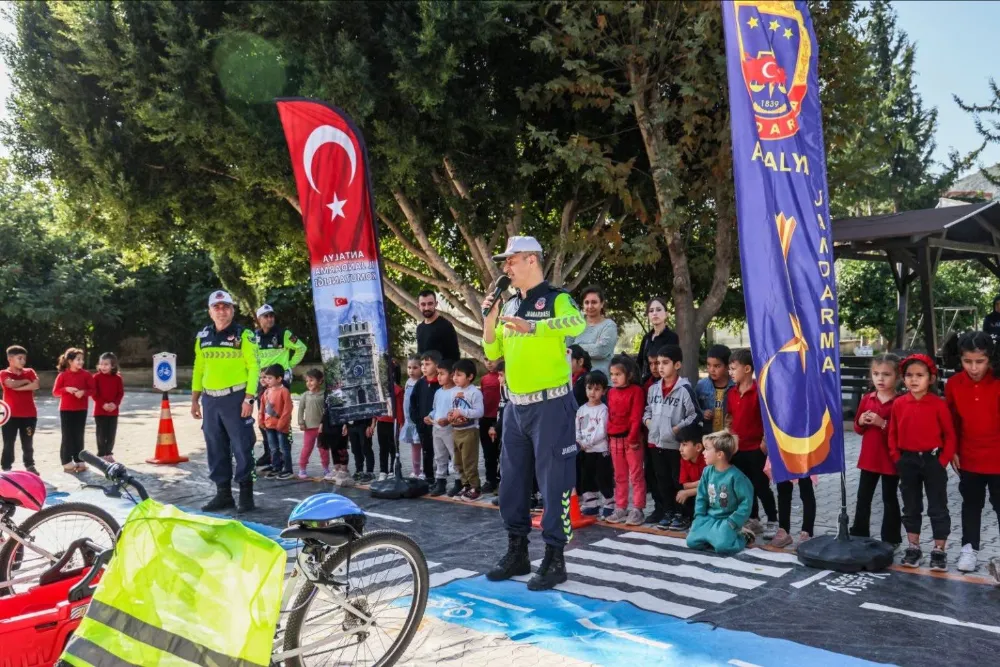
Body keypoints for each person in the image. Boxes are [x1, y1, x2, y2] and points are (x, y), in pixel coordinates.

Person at [481, 235, 586, 591]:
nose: (505, 267)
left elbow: (577, 324)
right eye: (505, 261)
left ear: (531, 260)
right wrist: (490, 318)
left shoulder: (557, 299)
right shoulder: (509, 304)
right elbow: (491, 352)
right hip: (516, 406)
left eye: (511, 260)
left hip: (551, 405)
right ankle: (517, 552)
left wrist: (536, 327)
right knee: (511, 482)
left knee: (555, 482)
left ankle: (555, 558)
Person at [191, 290, 260, 513]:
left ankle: (246, 495)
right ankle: (224, 495)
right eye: (217, 307)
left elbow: (254, 367)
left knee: (242, 446)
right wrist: (195, 399)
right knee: (215, 447)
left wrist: (249, 398)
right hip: (210, 400)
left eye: (226, 307)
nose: (221, 311)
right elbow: (199, 368)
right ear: (210, 311)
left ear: (232, 310)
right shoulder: (203, 336)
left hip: (236, 398)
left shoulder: (244, 335)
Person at [889, 354, 956, 571]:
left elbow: (950, 435)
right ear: (903, 378)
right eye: (909, 375)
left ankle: (939, 550)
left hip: (932, 460)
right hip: (907, 461)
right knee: (911, 505)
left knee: (938, 506)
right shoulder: (899, 404)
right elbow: (892, 433)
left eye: (920, 375)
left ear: (931, 378)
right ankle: (913, 547)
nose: (914, 379)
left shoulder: (938, 404)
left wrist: (942, 460)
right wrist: (897, 458)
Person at [945, 332, 1000, 576]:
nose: (974, 368)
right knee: (971, 505)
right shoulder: (954, 384)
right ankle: (969, 549)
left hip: (998, 457)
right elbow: (952, 421)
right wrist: (953, 450)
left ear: (991, 359)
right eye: (968, 361)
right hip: (968, 456)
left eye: (980, 361)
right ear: (960, 359)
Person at [644, 344, 700, 531]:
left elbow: (694, 415)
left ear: (677, 365)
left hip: (675, 446)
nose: (660, 367)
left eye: (665, 363)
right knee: (662, 480)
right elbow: (648, 410)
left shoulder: (684, 390)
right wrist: (649, 422)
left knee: (678, 480)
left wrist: (676, 429)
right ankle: (668, 511)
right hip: (656, 443)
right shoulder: (653, 389)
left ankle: (682, 514)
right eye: (658, 363)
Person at [849, 353, 902, 548]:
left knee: (890, 498)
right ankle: (859, 531)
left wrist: (882, 423)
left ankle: (892, 538)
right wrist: (862, 421)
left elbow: (901, 433)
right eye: (876, 373)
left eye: (886, 374)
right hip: (869, 458)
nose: (880, 378)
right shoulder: (867, 399)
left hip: (890, 460)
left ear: (897, 377)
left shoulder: (900, 402)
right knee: (863, 497)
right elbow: (857, 428)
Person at [726, 349, 778, 539]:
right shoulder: (731, 393)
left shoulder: (760, 392)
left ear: (747, 369)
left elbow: (768, 419)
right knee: (744, 486)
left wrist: (765, 441)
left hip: (756, 449)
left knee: (761, 486)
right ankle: (753, 518)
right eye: (730, 369)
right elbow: (730, 418)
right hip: (738, 449)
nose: (730, 372)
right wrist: (729, 436)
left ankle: (772, 519)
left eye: (734, 368)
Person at [253, 304, 308, 470]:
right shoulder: (254, 336)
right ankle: (270, 454)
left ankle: (284, 456)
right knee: (264, 419)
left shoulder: (284, 334)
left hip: (279, 382)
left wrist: (289, 365)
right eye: (266, 316)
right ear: (259, 319)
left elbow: (301, 348)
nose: (270, 319)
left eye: (271, 315)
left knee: (281, 419)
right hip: (262, 383)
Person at [686, 430, 755, 555]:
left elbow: (746, 502)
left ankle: (743, 536)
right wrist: (699, 516)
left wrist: (733, 522)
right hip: (708, 518)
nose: (703, 452)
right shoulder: (707, 472)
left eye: (707, 449)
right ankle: (714, 536)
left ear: (719, 455)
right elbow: (701, 496)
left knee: (723, 547)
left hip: (727, 521)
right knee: (692, 542)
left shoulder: (736, 477)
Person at [606, 354, 646, 526]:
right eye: (612, 374)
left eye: (618, 374)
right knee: (619, 476)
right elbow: (610, 415)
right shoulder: (611, 392)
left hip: (632, 440)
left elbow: (636, 417)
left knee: (636, 475)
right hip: (614, 440)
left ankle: (637, 508)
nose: (614, 378)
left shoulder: (636, 391)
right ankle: (621, 507)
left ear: (629, 375)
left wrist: (633, 438)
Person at [575, 370, 612, 518]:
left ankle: (609, 503)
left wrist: (588, 442)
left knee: (603, 478)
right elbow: (578, 427)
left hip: (600, 450)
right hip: (585, 451)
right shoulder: (581, 410)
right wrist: (579, 441)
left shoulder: (603, 410)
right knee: (586, 478)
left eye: (597, 389)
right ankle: (591, 504)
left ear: (604, 391)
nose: (592, 392)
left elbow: (602, 430)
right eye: (589, 388)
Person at [53, 347, 93, 473]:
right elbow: (55, 392)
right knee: (67, 436)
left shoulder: (86, 375)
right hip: (66, 410)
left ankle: (79, 459)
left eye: (82, 359)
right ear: (70, 361)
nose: (81, 362)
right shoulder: (62, 375)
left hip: (81, 409)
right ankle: (66, 461)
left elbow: (93, 390)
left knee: (79, 435)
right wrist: (66, 389)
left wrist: (83, 392)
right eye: (78, 359)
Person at [449, 359, 485, 501]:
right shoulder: (454, 391)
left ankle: (476, 488)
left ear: (470, 376)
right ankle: (466, 485)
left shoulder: (474, 392)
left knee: (469, 461)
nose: (455, 378)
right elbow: (454, 408)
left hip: (469, 431)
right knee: (459, 462)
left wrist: (462, 412)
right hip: (456, 430)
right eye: (454, 375)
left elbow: (479, 412)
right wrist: (450, 415)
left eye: (459, 375)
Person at [1, 345, 40, 475]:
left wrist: (18, 388)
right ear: (10, 359)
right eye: (20, 358)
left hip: (29, 415)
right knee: (8, 442)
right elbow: (10, 383)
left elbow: (36, 385)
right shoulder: (4, 373)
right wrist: (26, 381)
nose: (23, 361)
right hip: (9, 415)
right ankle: (6, 467)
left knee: (28, 442)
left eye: (24, 358)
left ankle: (29, 465)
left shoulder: (30, 371)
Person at [569, 286, 618, 377]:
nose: (590, 306)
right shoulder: (575, 324)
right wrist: (593, 346)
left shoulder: (609, 326)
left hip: (601, 381)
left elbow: (600, 351)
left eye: (594, 302)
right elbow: (567, 349)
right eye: (586, 302)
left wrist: (576, 345)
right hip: (576, 380)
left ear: (602, 304)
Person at [409, 351, 442, 483]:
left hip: (438, 425)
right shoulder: (420, 383)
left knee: (441, 453)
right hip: (423, 425)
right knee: (427, 452)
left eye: (427, 364)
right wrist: (417, 419)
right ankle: (429, 478)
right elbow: (413, 402)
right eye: (422, 364)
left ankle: (442, 479)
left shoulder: (441, 384)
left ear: (437, 365)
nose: (424, 367)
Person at [428, 359, 459, 497]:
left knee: (455, 455)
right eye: (437, 373)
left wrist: (448, 420)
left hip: (450, 429)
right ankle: (440, 482)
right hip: (437, 428)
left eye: (442, 373)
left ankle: (459, 481)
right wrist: (429, 416)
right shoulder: (438, 392)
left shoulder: (456, 392)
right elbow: (435, 409)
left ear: (451, 375)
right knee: (439, 456)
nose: (438, 377)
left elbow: (457, 411)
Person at [258, 364, 293, 480]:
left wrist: (281, 423)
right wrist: (261, 420)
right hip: (269, 426)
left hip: (281, 427)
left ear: (279, 379)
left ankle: (288, 469)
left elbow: (288, 409)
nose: (267, 380)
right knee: (273, 448)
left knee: (284, 448)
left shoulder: (284, 391)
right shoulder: (266, 392)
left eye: (270, 378)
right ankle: (276, 467)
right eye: (266, 378)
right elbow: (262, 408)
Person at [643, 349, 664, 524]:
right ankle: (659, 508)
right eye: (651, 364)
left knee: (667, 476)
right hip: (649, 436)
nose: (655, 367)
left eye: (658, 363)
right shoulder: (646, 383)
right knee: (652, 474)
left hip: (668, 438)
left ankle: (673, 509)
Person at [636, 296, 680, 384]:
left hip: (664, 384)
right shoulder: (646, 338)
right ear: (648, 315)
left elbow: (671, 365)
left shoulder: (672, 337)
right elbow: (639, 363)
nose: (655, 313)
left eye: (659, 310)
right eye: (651, 311)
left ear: (666, 314)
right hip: (646, 384)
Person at [92, 352, 124, 463]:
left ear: (113, 365)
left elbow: (120, 393)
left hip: (113, 411)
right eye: (101, 364)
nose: (103, 367)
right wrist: (103, 404)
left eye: (106, 364)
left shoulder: (117, 378)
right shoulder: (96, 377)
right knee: (101, 434)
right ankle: (101, 453)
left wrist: (115, 404)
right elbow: (94, 394)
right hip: (100, 411)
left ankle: (109, 453)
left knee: (111, 434)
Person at [374, 362, 404, 480]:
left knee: (394, 448)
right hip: (382, 421)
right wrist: (374, 421)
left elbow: (400, 407)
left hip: (394, 422)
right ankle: (383, 471)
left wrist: (401, 422)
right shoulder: (378, 388)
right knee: (383, 448)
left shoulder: (398, 389)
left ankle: (393, 469)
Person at [297, 368, 329, 479]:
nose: (308, 383)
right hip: (309, 428)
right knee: (307, 449)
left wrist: (326, 424)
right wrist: (301, 422)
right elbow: (300, 410)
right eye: (307, 381)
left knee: (323, 450)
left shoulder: (325, 395)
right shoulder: (305, 395)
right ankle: (302, 468)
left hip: (322, 428)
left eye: (311, 380)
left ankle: (326, 469)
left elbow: (328, 411)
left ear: (320, 381)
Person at [696, 345, 734, 435]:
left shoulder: (735, 385)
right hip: (708, 436)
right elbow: (693, 409)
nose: (711, 370)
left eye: (717, 366)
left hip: (729, 436)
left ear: (727, 366)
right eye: (708, 365)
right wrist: (702, 413)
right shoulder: (701, 385)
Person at [675, 425, 707, 528]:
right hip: (699, 490)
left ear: (698, 447)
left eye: (684, 445)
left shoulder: (707, 458)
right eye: (680, 445)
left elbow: (713, 486)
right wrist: (702, 483)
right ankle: (687, 518)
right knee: (681, 494)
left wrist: (689, 492)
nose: (680, 449)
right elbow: (685, 485)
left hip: (711, 494)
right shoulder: (684, 460)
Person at [416, 290, 461, 363]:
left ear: (436, 304)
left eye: (430, 304)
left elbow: (454, 357)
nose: (427, 308)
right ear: (418, 306)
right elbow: (420, 355)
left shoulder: (446, 326)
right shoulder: (420, 328)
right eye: (423, 304)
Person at [320, 387, 352, 486]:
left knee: (341, 446)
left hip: (341, 422)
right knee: (333, 446)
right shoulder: (327, 392)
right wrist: (322, 423)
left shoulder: (345, 391)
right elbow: (325, 409)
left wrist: (346, 423)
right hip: (329, 422)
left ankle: (344, 470)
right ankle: (336, 469)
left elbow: (348, 408)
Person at [479, 357, 502, 493]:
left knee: (501, 453)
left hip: (499, 419)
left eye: (492, 359)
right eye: (486, 359)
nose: (489, 362)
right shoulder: (484, 379)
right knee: (488, 453)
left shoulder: (504, 377)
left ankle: (501, 480)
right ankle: (490, 480)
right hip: (485, 419)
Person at [489, 360, 508, 506]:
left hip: (512, 434)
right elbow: (502, 412)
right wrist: (496, 427)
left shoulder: (513, 392)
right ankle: (505, 492)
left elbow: (508, 414)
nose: (499, 378)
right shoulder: (503, 389)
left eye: (501, 375)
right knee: (503, 463)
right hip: (503, 433)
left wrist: (497, 426)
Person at [401, 356, 422, 477]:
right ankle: (416, 470)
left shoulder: (422, 382)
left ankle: (427, 469)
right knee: (414, 446)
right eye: (409, 367)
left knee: (424, 446)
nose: (411, 370)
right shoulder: (408, 382)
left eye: (415, 367)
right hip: (409, 421)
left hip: (419, 421)